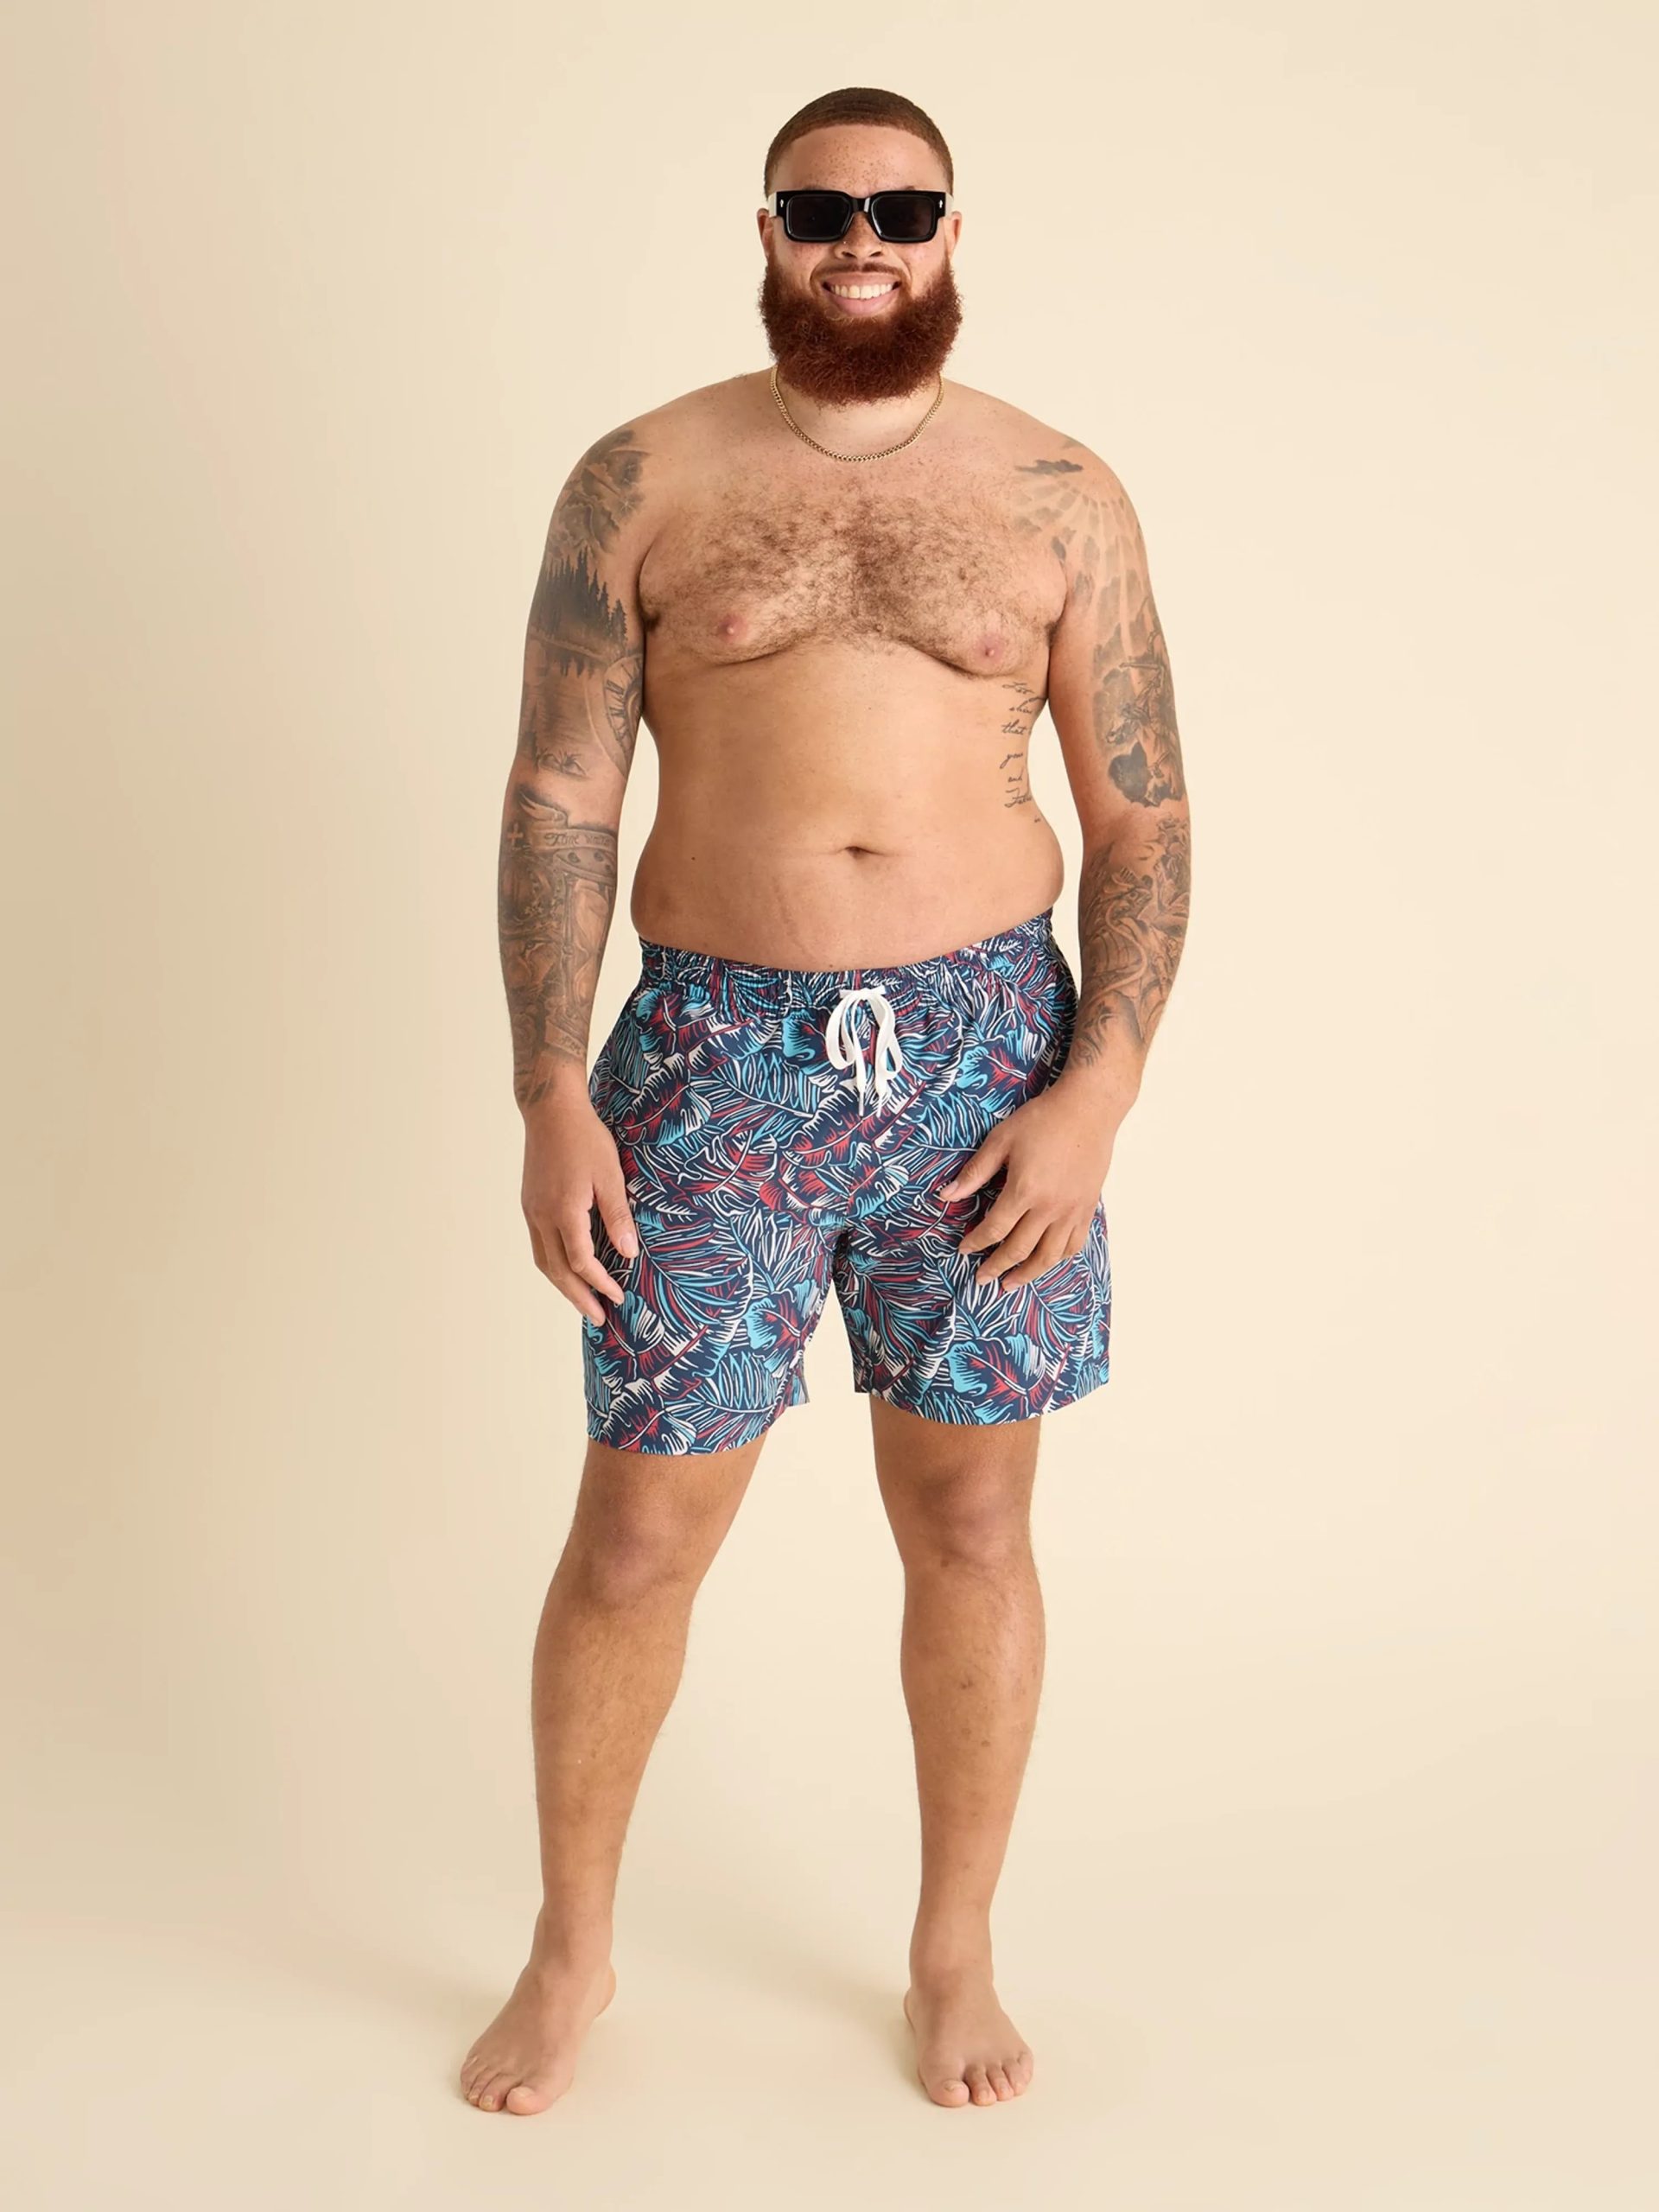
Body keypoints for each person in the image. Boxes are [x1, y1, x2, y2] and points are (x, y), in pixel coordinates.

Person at [462, 83, 1192, 2117]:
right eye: (821, 207)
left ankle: (954, 1951)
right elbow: (558, 793)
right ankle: (572, 1950)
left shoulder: (1060, 493)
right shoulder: (641, 478)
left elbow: (1142, 813)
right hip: (711, 1058)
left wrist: (1099, 1091)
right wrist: (548, 1085)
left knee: (970, 1515)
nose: (863, 239)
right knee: (635, 1533)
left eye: (903, 206)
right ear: (769, 229)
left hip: (986, 1056)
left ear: (953, 231)